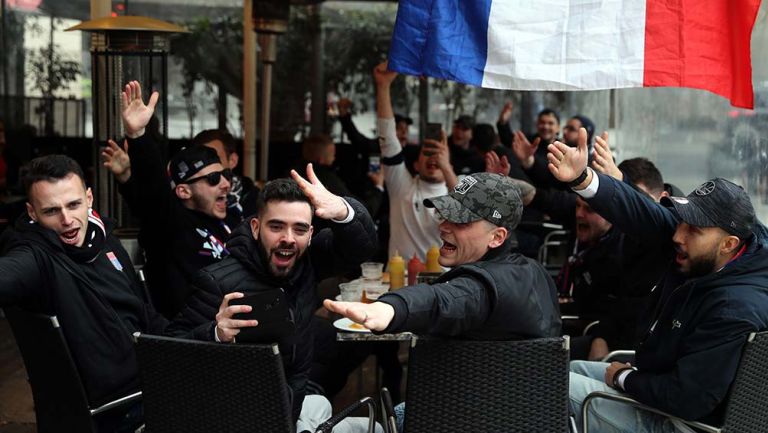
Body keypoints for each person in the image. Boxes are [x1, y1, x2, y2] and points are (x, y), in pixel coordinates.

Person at [548, 127, 768, 431]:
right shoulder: (729, 250)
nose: (677, 235)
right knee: (570, 369)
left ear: (729, 243)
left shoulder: (734, 307)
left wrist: (623, 378)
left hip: (679, 422)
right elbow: (645, 214)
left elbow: (687, 398)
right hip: (655, 382)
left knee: (546, 387)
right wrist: (584, 179)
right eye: (682, 223)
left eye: (693, 230)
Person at [325, 172, 561, 432]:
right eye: (445, 215)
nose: (443, 226)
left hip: (460, 417)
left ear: (497, 237)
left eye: (461, 221)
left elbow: (448, 300)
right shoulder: (535, 272)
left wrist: (391, 308)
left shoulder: (483, 287)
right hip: (521, 416)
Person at [166, 167, 379, 432]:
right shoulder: (219, 281)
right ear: (256, 228)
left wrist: (342, 209)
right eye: (276, 227)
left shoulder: (307, 262)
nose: (288, 239)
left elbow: (363, 247)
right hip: (242, 419)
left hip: (290, 405)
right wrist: (215, 334)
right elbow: (166, 357)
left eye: (299, 229)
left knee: (358, 420)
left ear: (311, 234)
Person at [0, 155, 169, 432]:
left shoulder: (105, 241)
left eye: (74, 204)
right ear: (32, 213)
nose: (67, 220)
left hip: (155, 376)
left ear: (89, 198)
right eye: (52, 211)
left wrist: (199, 338)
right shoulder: (35, 256)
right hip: (121, 406)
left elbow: (146, 316)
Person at [106, 81, 233, 318]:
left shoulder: (227, 221)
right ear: (184, 191)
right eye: (214, 178)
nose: (226, 183)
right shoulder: (172, 225)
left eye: (225, 175)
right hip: (196, 338)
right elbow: (155, 196)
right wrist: (138, 137)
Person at [374, 61, 457, 261]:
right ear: (416, 165)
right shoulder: (402, 186)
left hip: (441, 283)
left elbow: (467, 212)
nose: (433, 159)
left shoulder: (457, 188)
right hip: (400, 281)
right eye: (427, 153)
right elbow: (389, 141)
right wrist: (383, 87)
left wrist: (446, 168)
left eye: (439, 155)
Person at [193, 128, 259, 224]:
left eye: (214, 157)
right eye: (200, 160)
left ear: (233, 160)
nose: (208, 165)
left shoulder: (258, 202)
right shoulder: (191, 201)